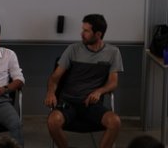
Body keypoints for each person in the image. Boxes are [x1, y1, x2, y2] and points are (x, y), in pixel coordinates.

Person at [44, 14, 123, 148]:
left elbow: (113, 82)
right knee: (53, 121)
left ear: (98, 34)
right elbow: (54, 77)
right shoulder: (73, 49)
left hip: (91, 104)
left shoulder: (113, 52)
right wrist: (50, 92)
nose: (82, 34)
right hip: (68, 102)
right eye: (82, 30)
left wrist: (100, 91)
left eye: (86, 31)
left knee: (115, 122)